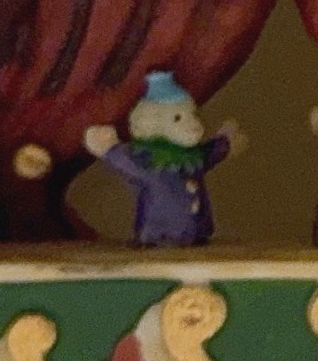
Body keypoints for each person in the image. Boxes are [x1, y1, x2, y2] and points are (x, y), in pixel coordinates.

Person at [83, 71, 244, 249]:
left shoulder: (192, 159)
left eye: (192, 114)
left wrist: (224, 144)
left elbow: (207, 155)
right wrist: (109, 148)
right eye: (177, 118)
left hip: (198, 234)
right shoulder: (151, 163)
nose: (194, 124)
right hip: (160, 235)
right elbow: (128, 163)